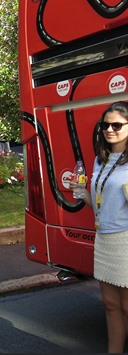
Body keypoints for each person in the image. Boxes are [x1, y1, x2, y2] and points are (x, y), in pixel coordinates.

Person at [71, 101, 128, 353]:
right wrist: (82, 192)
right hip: (104, 239)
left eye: (117, 125)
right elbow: (99, 204)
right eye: (106, 124)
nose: (110, 129)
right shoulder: (100, 160)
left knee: (127, 306)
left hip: (126, 240)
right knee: (110, 305)